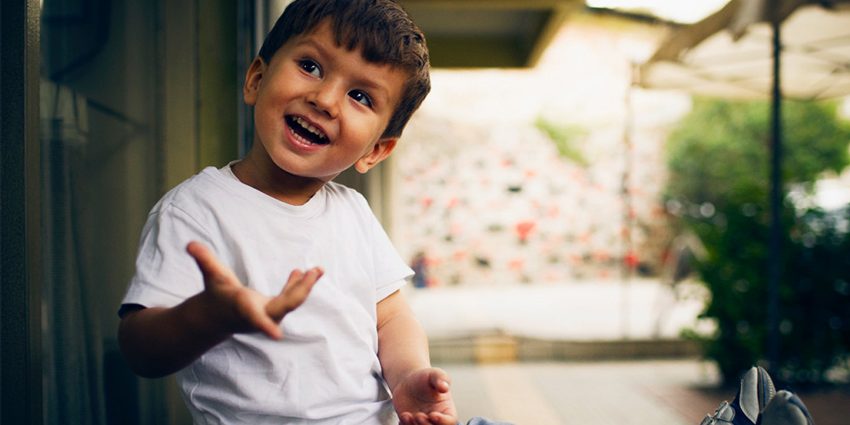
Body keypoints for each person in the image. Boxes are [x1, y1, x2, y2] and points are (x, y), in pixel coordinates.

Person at [117, 1, 477, 424]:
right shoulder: (195, 210)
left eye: (360, 96)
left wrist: (407, 377)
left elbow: (392, 316)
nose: (324, 100)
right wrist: (208, 316)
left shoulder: (352, 211)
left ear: (376, 150)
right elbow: (140, 349)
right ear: (256, 79)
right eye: (310, 66)